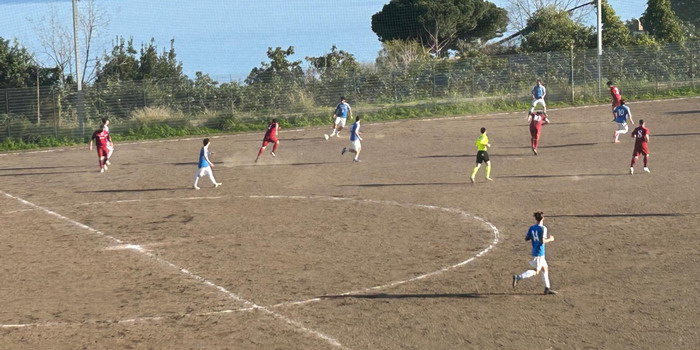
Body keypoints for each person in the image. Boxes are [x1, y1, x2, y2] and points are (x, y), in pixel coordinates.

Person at [512, 211, 558, 295]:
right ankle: (518, 277)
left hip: (537, 251)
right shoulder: (543, 228)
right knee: (537, 271)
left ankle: (547, 288)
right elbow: (543, 241)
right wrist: (551, 239)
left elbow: (526, 238)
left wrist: (533, 236)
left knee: (545, 269)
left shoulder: (532, 227)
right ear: (543, 218)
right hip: (539, 252)